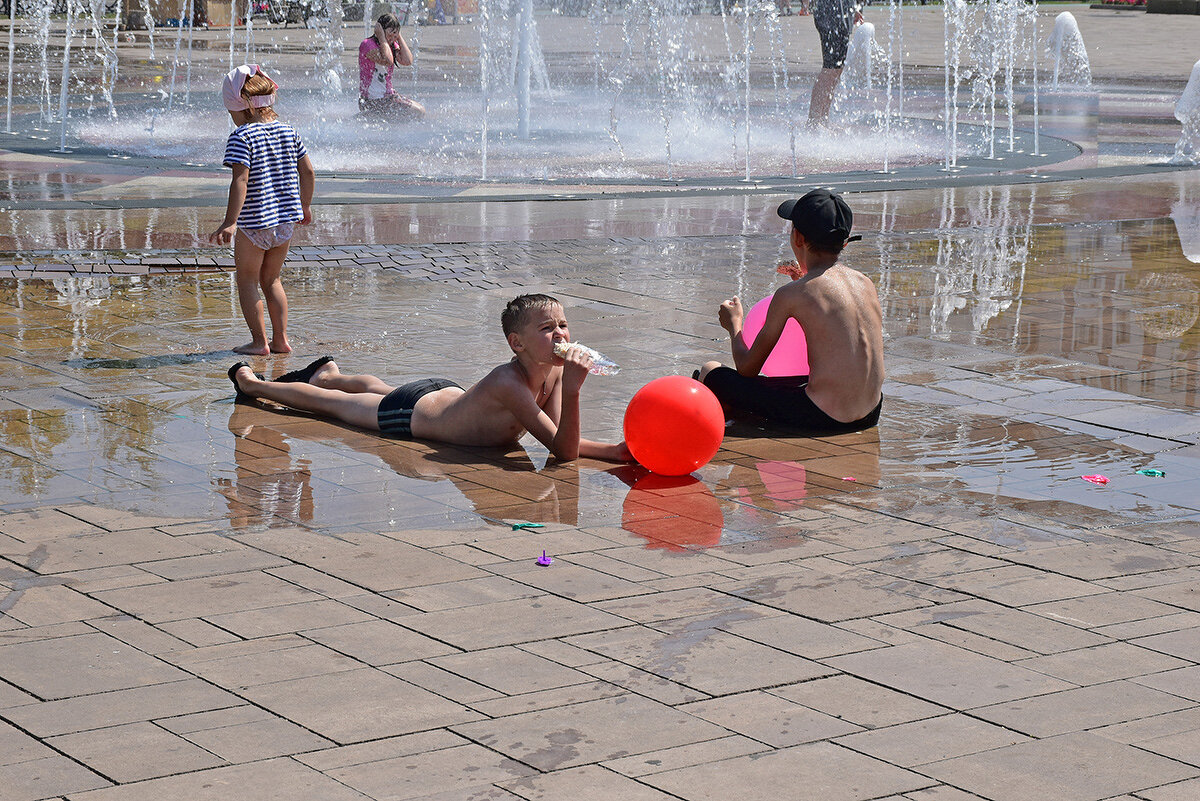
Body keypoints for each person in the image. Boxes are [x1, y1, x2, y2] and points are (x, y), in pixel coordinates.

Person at [226, 294, 631, 462]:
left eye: (563, 324)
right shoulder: (509, 383)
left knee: (377, 387)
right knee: (329, 406)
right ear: (516, 343)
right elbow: (561, 453)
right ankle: (254, 384)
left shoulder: (554, 373)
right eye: (546, 329)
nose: (560, 334)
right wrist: (577, 391)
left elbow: (562, 440)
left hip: (444, 394)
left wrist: (614, 450)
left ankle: (329, 373)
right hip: (411, 415)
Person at [696, 189, 884, 434]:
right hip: (871, 413)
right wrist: (802, 279)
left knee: (710, 371)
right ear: (845, 242)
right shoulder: (865, 283)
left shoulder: (792, 294)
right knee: (778, 386)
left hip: (823, 417)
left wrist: (735, 325)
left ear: (797, 237)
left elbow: (747, 368)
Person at [209, 65, 315, 356]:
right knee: (272, 280)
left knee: (247, 280)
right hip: (284, 224)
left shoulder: (242, 138)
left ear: (240, 107)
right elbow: (307, 173)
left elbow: (240, 180)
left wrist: (230, 222)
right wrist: (303, 206)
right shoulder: (289, 132)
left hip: (255, 224)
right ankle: (280, 340)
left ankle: (259, 343)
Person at [359, 13, 426, 119]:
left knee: (418, 112)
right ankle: (368, 116)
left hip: (387, 97)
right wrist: (382, 37)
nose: (392, 39)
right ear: (380, 30)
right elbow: (388, 60)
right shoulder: (367, 44)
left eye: (395, 36)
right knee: (419, 111)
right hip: (372, 100)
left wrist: (398, 37)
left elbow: (407, 61)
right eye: (390, 34)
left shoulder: (391, 46)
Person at [808, 0, 863, 122]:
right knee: (830, 69)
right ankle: (813, 121)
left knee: (837, 70)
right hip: (830, 12)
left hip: (842, 10)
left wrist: (852, 7)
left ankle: (823, 119)